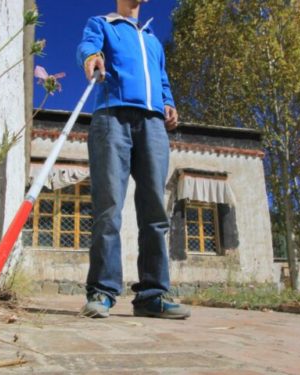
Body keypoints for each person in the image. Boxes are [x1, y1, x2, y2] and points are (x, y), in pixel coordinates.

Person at [76, 0, 190, 319]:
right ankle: (102, 290)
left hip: (153, 123)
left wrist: (167, 101)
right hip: (112, 116)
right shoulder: (103, 23)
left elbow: (162, 77)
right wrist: (91, 56)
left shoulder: (153, 38)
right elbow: (88, 45)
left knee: (155, 208)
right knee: (109, 205)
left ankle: (152, 296)